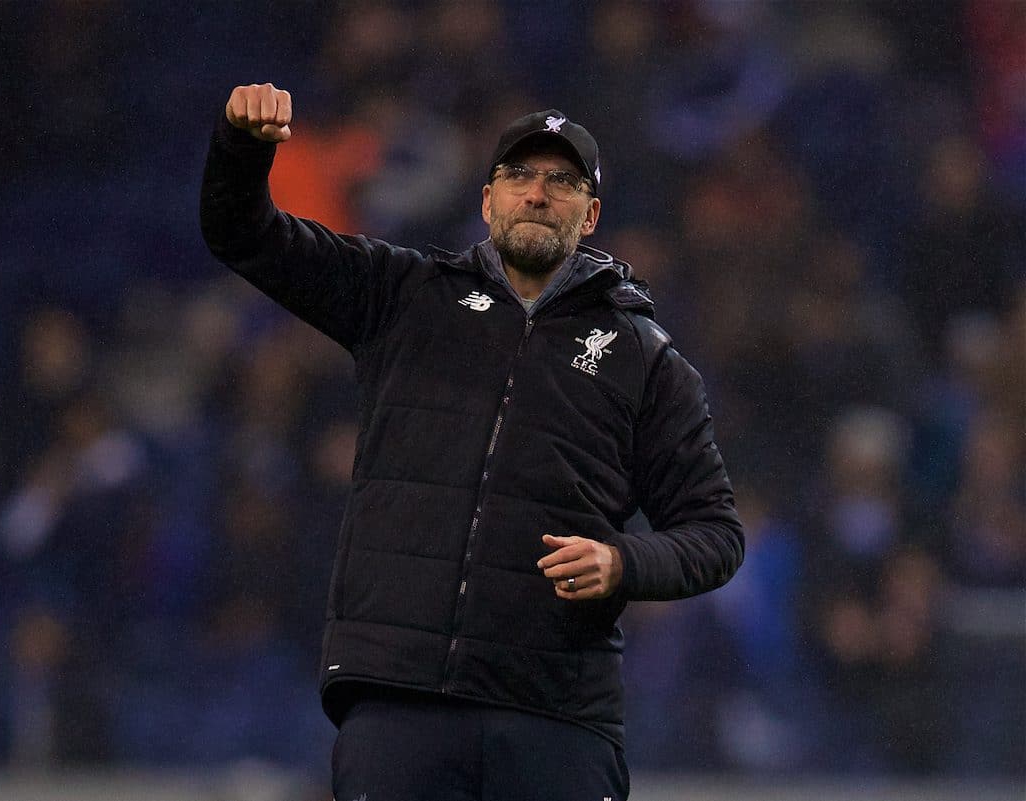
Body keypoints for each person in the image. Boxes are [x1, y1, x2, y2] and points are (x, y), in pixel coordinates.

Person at [200, 82, 744, 800]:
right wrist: (241, 147)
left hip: (556, 711)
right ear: (488, 201)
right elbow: (245, 234)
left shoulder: (644, 361)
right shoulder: (404, 295)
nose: (538, 193)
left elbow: (715, 533)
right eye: (519, 176)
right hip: (401, 698)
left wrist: (623, 560)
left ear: (592, 215)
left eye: (562, 180)